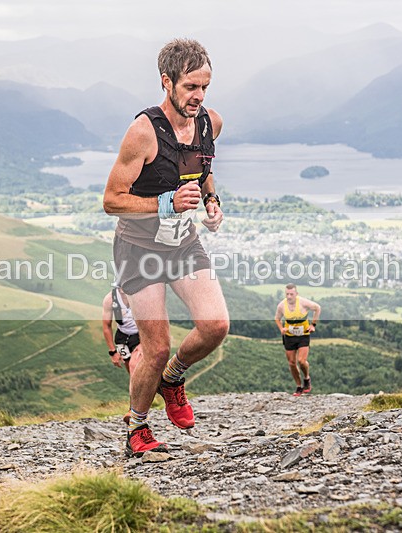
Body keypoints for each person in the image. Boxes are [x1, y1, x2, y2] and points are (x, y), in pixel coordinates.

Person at [103, 38, 229, 457]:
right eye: (191, 87)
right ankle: (137, 428)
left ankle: (173, 379)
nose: (199, 97)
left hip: (182, 243)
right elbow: (111, 200)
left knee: (215, 326)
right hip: (138, 248)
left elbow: (203, 168)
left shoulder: (211, 122)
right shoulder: (143, 131)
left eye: (204, 87)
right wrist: (164, 202)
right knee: (154, 348)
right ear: (167, 82)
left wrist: (211, 201)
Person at [274, 283, 321, 396]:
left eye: (291, 294)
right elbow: (277, 318)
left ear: (296, 294)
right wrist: (281, 328)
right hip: (289, 336)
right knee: (291, 363)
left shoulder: (303, 302)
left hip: (303, 335)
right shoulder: (281, 305)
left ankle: (306, 378)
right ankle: (299, 386)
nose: (289, 296)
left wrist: (313, 325)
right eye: (287, 294)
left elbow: (317, 308)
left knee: (301, 361)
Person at [101, 284, 142, 376]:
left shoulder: (140, 295)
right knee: (131, 372)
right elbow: (106, 326)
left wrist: (144, 342)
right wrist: (113, 351)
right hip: (122, 337)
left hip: (140, 334)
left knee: (137, 366)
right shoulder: (110, 299)